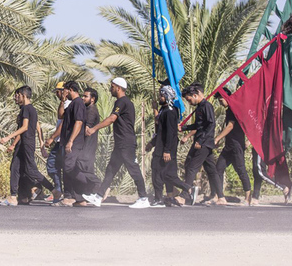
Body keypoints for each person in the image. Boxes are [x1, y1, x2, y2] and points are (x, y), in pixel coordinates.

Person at [83, 77, 149, 209]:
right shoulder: (123, 102)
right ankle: (98, 197)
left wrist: (94, 128)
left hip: (126, 143)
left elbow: (112, 118)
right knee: (110, 170)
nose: (110, 89)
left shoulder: (122, 101)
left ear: (118, 88)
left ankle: (143, 198)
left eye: (112, 87)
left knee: (133, 169)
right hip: (120, 143)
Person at [0, 86, 54, 206]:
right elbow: (37, 127)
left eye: (17, 95)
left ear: (23, 96)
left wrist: (8, 137)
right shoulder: (31, 109)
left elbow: (24, 127)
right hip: (25, 143)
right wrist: (41, 145)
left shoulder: (26, 109)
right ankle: (15, 196)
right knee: (16, 168)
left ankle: (53, 190)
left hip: (26, 143)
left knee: (31, 170)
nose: (15, 97)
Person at [145, 85, 192, 207]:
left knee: (160, 173)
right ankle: (186, 189)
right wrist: (152, 143)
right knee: (162, 174)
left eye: (161, 95)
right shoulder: (163, 110)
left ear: (167, 96)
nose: (159, 97)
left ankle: (160, 199)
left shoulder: (170, 112)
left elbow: (171, 133)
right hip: (160, 146)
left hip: (165, 148)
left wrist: (167, 150)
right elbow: (160, 129)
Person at [56, 81, 99, 207]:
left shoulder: (79, 103)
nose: (63, 93)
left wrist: (70, 141)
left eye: (64, 90)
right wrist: (62, 101)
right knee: (69, 168)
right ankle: (79, 198)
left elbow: (79, 122)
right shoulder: (72, 104)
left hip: (75, 142)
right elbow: (61, 115)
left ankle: (94, 184)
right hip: (68, 142)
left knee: (69, 167)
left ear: (70, 89)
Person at [179, 83, 223, 204]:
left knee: (192, 167)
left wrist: (200, 141)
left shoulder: (207, 106)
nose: (189, 102)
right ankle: (221, 197)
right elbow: (198, 125)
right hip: (201, 141)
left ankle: (184, 195)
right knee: (211, 170)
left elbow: (211, 124)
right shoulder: (199, 107)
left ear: (195, 95)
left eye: (189, 99)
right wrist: (183, 128)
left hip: (204, 143)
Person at [213, 89, 251, 205]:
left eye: (221, 100)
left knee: (240, 169)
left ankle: (248, 198)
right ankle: (219, 197)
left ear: (226, 97)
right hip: (228, 146)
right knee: (218, 168)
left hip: (236, 146)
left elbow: (230, 126)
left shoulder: (233, 109)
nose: (220, 103)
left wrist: (217, 138)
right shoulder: (229, 110)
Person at [42, 82, 69, 202]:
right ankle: (58, 190)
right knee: (52, 165)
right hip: (59, 142)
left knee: (60, 166)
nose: (56, 94)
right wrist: (62, 101)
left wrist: (52, 138)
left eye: (58, 92)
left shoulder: (70, 104)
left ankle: (64, 192)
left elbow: (63, 124)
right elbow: (60, 116)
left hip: (63, 142)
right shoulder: (64, 103)